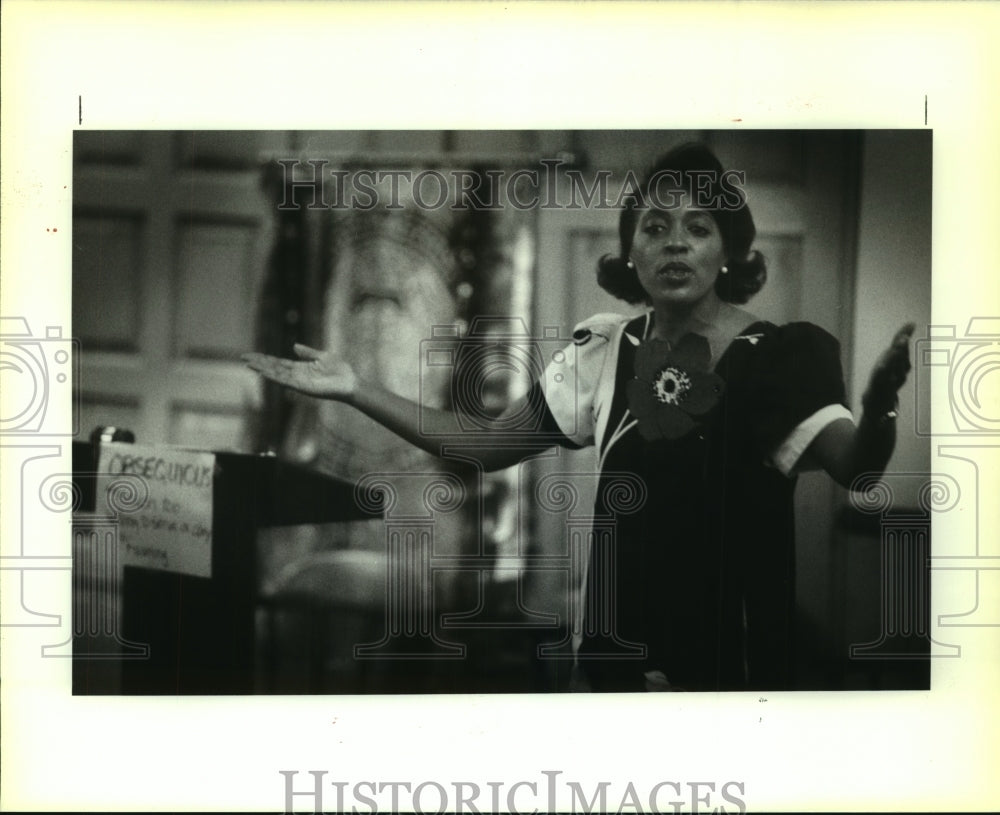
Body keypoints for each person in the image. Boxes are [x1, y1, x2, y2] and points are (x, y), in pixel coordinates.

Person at [244, 142, 914, 692]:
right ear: (630, 252)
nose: (674, 244)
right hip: (615, 655)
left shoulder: (777, 355)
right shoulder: (604, 350)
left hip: (727, 669)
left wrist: (879, 405)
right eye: (655, 228)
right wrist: (358, 386)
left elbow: (857, 468)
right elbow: (483, 444)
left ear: (730, 251)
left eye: (697, 228)